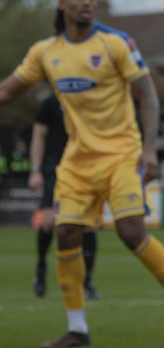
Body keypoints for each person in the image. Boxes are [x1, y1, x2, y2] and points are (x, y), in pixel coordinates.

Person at [0, 0, 164, 348]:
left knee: (131, 232)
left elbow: (149, 96)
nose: (87, 2)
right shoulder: (46, 52)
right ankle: (77, 328)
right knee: (66, 232)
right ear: (62, 3)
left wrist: (150, 149)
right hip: (76, 162)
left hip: (122, 154)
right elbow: (8, 90)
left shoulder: (115, 44)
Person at [29, 94, 101, 300]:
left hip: (85, 168)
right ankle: (41, 268)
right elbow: (39, 135)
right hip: (56, 168)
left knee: (88, 226)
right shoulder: (51, 102)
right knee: (49, 222)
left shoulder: (90, 100)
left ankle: (87, 282)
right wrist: (36, 170)